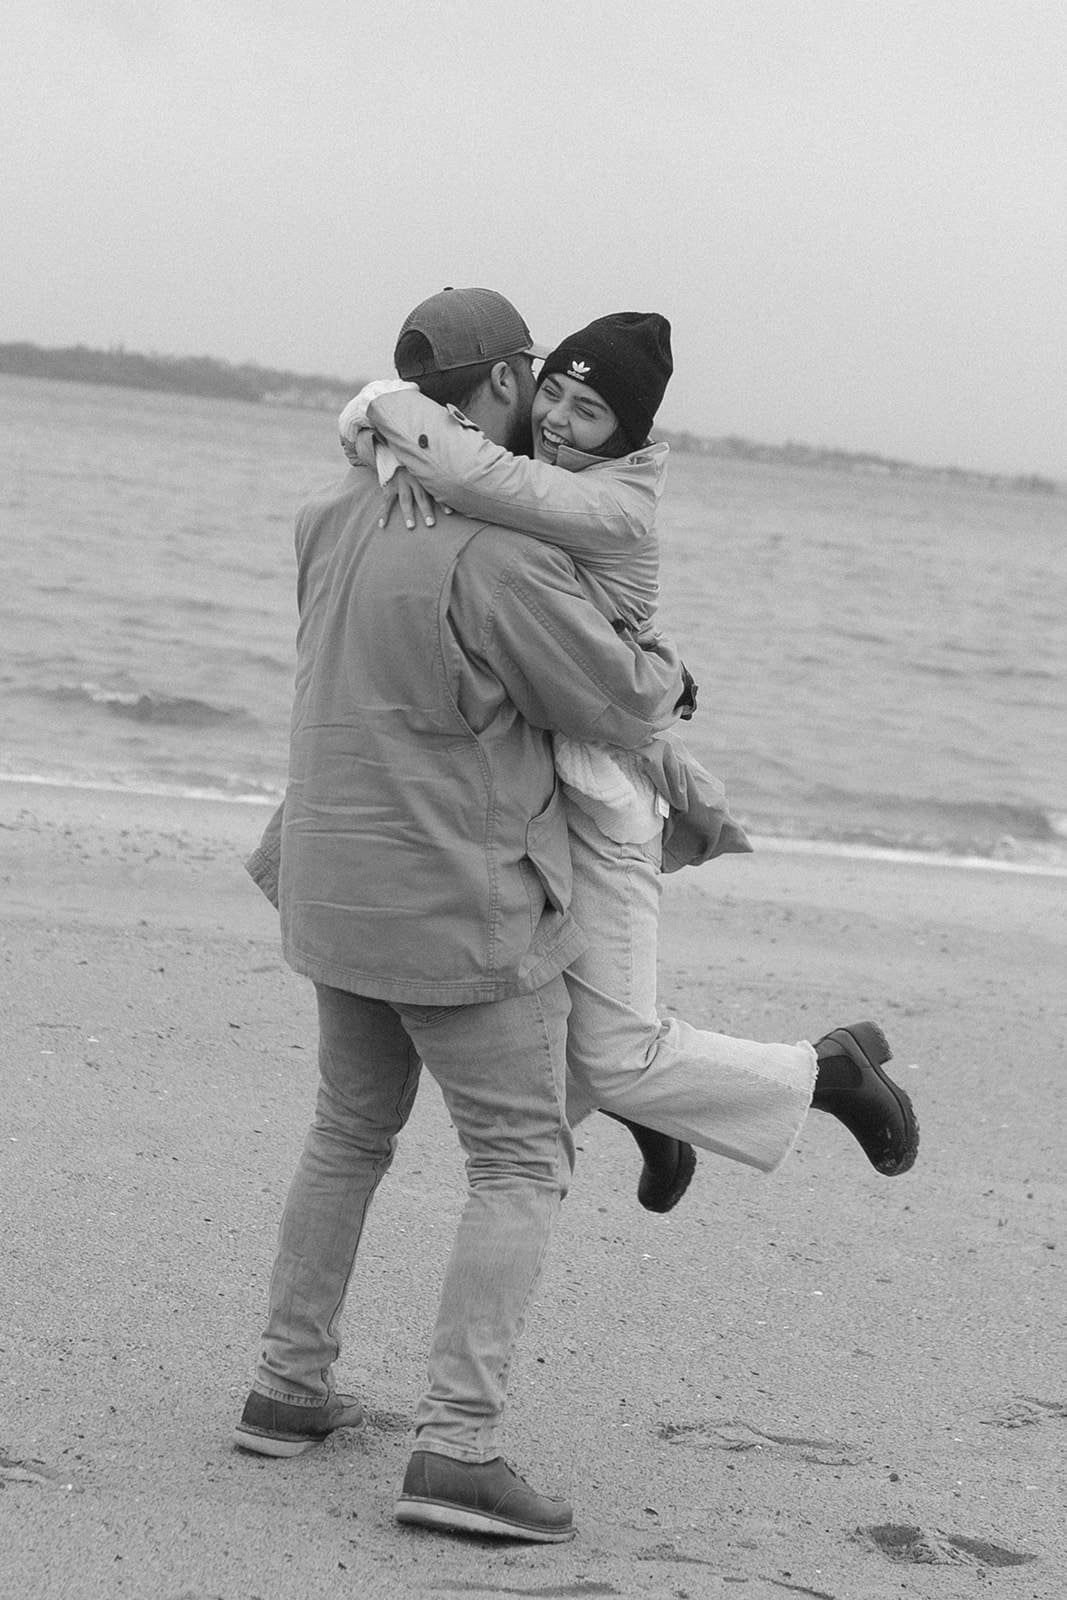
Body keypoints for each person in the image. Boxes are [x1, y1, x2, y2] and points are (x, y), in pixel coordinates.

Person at [235, 287, 693, 1543]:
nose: (542, 403)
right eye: (534, 378)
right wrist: (666, 670)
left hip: (334, 878)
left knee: (347, 1132)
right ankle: (456, 1447)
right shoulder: (503, 553)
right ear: (500, 385)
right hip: (455, 898)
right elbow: (613, 700)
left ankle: (286, 1385)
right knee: (519, 1160)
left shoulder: (330, 509)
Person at [336, 310, 920, 1187]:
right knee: (547, 1026)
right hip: (535, 789)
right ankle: (634, 1121)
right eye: (553, 395)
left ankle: (829, 1072)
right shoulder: (547, 466)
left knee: (608, 1053)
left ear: (626, 433)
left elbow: (462, 466)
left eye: (588, 412)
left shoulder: (610, 504)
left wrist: (386, 415)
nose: (556, 421)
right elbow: (401, 435)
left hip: (604, 793)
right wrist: (382, 443)